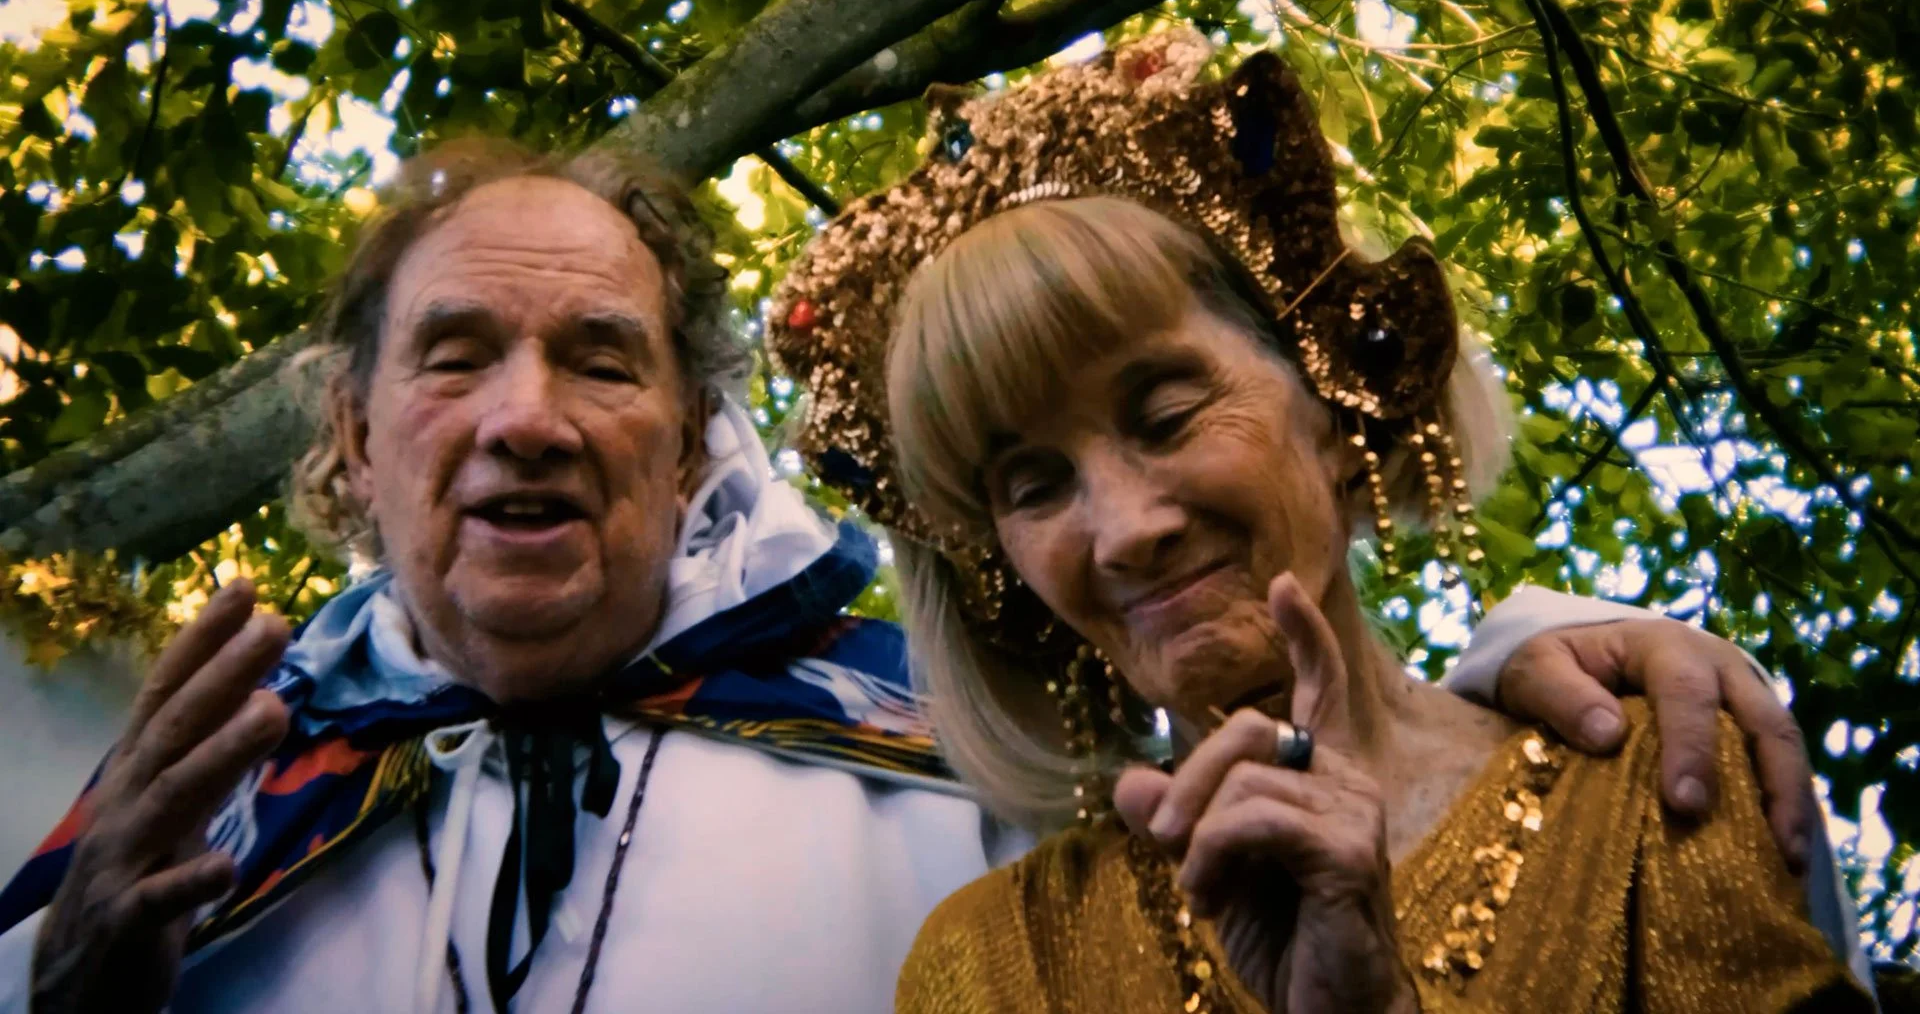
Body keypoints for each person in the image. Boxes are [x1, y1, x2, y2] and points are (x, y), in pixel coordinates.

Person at [0, 134, 1848, 1013]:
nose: (528, 418)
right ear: (349, 435)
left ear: (695, 439)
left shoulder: (951, 794)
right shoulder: (158, 836)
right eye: (455, 355)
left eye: (604, 360)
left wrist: (1543, 648)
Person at [768, 30, 1875, 1011]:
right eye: (1034, 485)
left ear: (1339, 399)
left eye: (1165, 415)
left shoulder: (1653, 785)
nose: (1125, 528)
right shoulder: (994, 963)